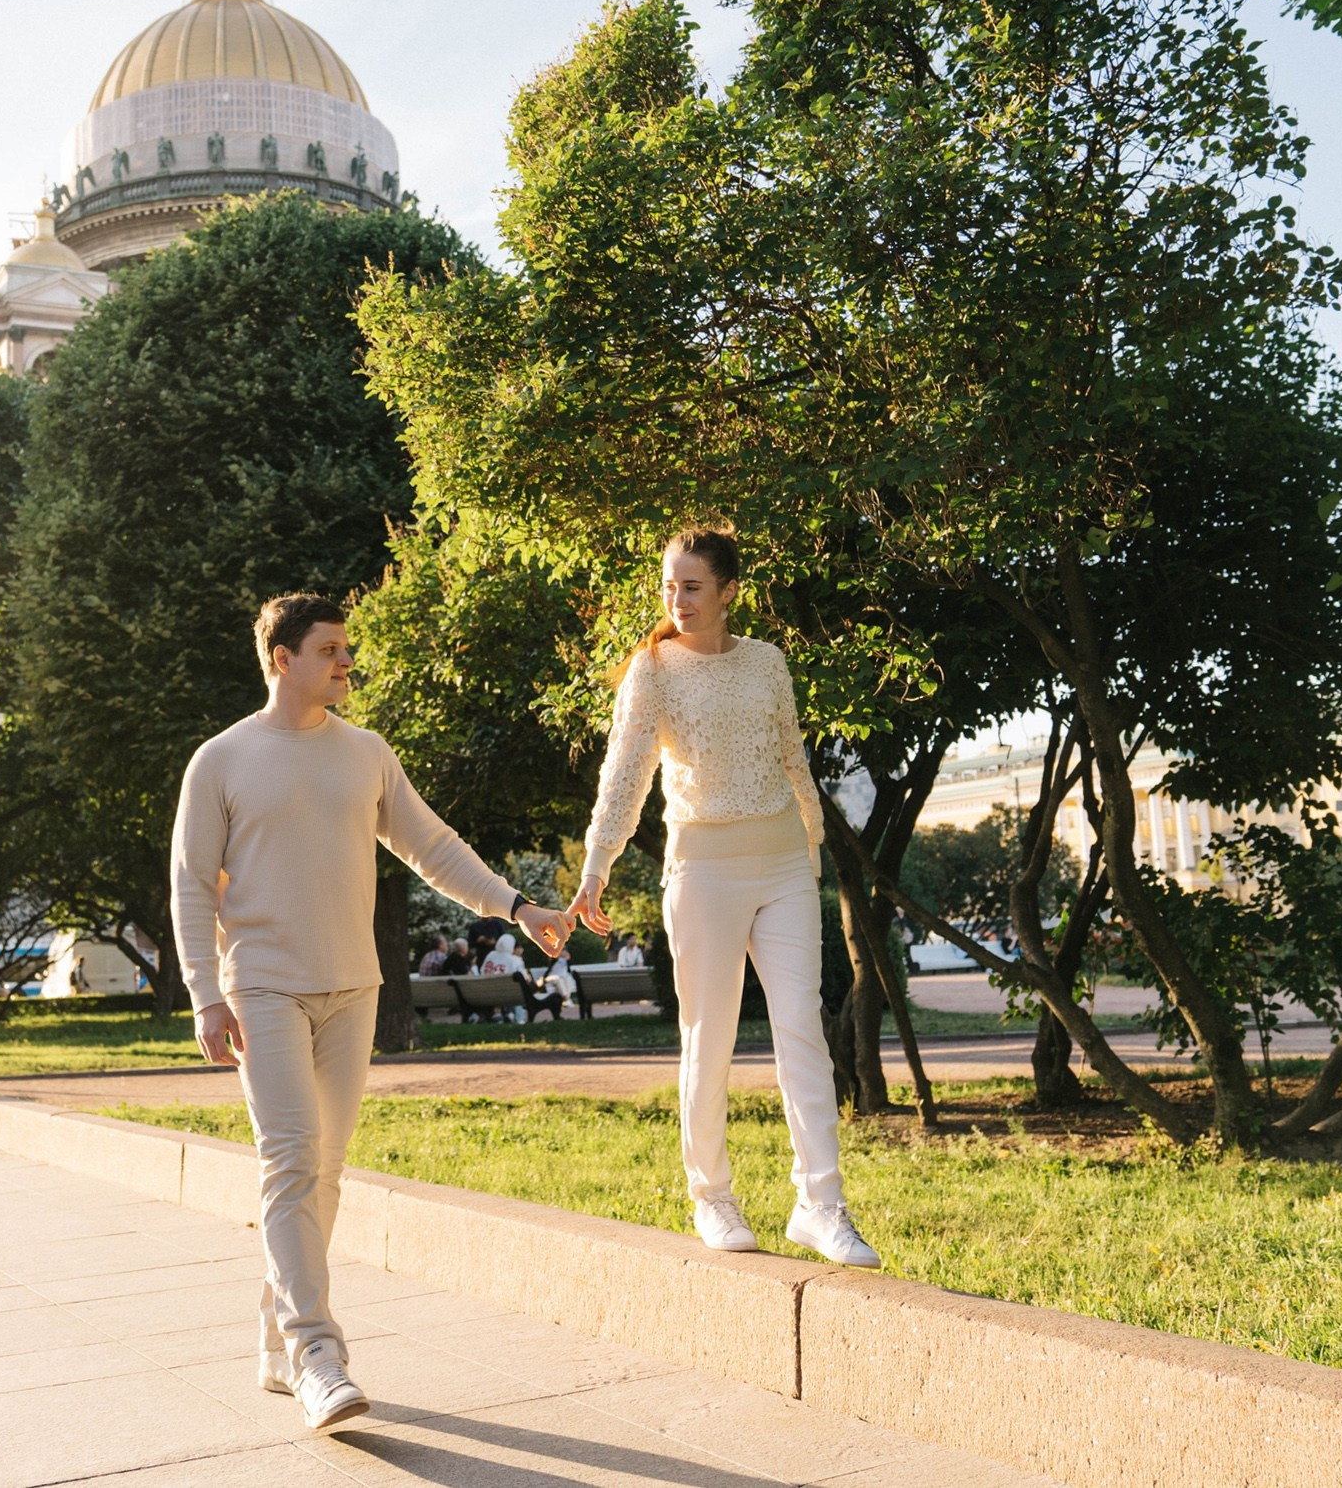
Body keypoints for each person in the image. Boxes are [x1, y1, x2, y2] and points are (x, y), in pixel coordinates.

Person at [173, 593, 571, 1433]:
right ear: (281, 658)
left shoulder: (367, 753)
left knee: (325, 1171)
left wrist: (515, 906)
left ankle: (278, 1342)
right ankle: (320, 1350)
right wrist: (205, 990)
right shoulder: (221, 759)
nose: (346, 662)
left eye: (347, 649)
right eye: (329, 650)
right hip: (264, 988)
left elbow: (433, 846)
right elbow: (189, 882)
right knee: (289, 1160)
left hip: (354, 986)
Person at [565, 528, 882, 1269]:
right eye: (670, 586)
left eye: (693, 586)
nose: (678, 600)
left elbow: (791, 752)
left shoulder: (768, 662)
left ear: (729, 590)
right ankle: (712, 1195)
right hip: (703, 868)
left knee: (801, 1024)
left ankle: (823, 1204)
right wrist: (596, 864)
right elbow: (624, 773)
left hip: (780, 865)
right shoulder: (653, 670)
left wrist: (811, 841)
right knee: (708, 1037)